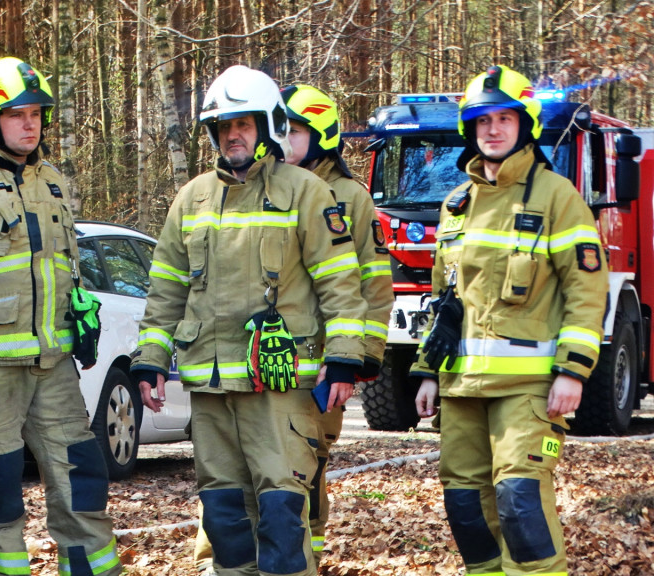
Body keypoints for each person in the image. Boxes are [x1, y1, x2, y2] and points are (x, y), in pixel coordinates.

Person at [131, 65, 366, 576]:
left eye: (243, 124)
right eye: (223, 126)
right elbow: (166, 289)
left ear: (268, 126)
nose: (232, 135)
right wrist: (150, 359)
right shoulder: (191, 199)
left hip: (279, 385)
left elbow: (340, 283)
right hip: (211, 388)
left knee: (281, 514)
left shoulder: (306, 191)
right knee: (225, 517)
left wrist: (345, 358)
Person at [411, 65, 608, 576]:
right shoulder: (456, 204)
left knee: (520, 502)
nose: (492, 129)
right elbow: (443, 299)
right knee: (465, 506)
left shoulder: (557, 196)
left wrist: (573, 370)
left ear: (526, 124)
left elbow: (586, 290)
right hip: (461, 385)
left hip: (528, 386)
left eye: (504, 118)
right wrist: (428, 370)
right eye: (482, 120)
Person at [0, 56, 121, 576]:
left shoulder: (52, 180)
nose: (29, 124)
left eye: (36, 113)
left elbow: (64, 265)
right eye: (17, 114)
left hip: (55, 365)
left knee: (82, 481)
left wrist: (81, 311)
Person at [282, 84, 394, 569]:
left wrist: (359, 358)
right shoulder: (267, 187)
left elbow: (375, 284)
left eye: (295, 131)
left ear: (322, 135)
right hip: (270, 357)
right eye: (279, 130)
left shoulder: (349, 197)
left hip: (325, 360)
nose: (283, 139)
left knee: (309, 465)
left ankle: (308, 559)